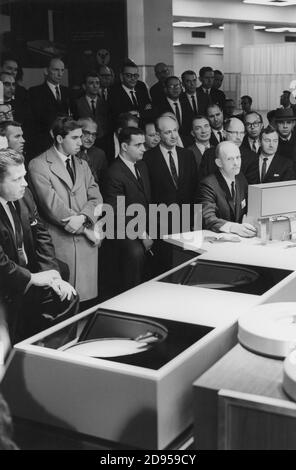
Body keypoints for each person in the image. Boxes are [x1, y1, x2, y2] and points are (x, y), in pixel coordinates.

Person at [0, 149, 77, 343]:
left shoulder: (24, 196)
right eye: (17, 179)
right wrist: (33, 278)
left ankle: (51, 354)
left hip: (26, 269)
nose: (25, 184)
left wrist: (53, 274)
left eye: (24, 177)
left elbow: (41, 234)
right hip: (7, 282)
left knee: (68, 296)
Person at [28, 117, 103, 303]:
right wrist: (86, 229)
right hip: (61, 243)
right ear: (60, 139)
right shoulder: (38, 164)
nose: (80, 142)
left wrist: (84, 217)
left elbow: (97, 198)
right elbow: (52, 207)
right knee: (64, 304)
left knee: (85, 304)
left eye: (81, 136)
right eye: (75, 137)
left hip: (86, 246)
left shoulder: (83, 164)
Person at [144, 115, 199, 273]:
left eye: (175, 130)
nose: (174, 136)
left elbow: (194, 189)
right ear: (158, 134)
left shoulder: (187, 155)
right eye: (168, 132)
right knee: (164, 270)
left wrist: (195, 221)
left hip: (187, 223)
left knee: (187, 269)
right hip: (160, 225)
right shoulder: (148, 158)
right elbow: (147, 195)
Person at [102, 127, 151, 295]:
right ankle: (131, 299)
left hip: (142, 225)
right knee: (135, 252)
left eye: (143, 144)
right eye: (138, 145)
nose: (143, 148)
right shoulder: (114, 172)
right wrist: (143, 234)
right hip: (120, 230)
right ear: (124, 146)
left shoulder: (141, 166)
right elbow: (116, 213)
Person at [198, 141, 256, 237]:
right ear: (219, 162)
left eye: (238, 157)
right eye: (230, 159)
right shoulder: (208, 184)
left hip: (239, 239)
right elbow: (207, 218)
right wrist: (233, 227)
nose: (236, 163)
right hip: (215, 240)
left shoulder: (241, 178)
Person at [28, 56, 71, 157]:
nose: (60, 74)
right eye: (56, 70)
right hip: (44, 143)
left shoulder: (67, 92)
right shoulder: (35, 92)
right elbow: (35, 121)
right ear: (46, 71)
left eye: (62, 70)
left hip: (64, 143)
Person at [200, 117, 258, 184]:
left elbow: (251, 188)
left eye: (242, 133)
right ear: (224, 133)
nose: (239, 137)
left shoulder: (251, 157)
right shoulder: (209, 154)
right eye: (235, 133)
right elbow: (203, 183)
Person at [108, 59, 151, 125]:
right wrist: (143, 112)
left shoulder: (142, 92)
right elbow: (118, 116)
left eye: (135, 75)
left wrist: (137, 114)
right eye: (129, 75)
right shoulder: (113, 93)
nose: (133, 78)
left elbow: (150, 111)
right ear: (121, 77)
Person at [76, 117, 108, 185]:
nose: (90, 139)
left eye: (94, 134)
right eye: (86, 133)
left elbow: (104, 184)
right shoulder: (69, 152)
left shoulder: (100, 154)